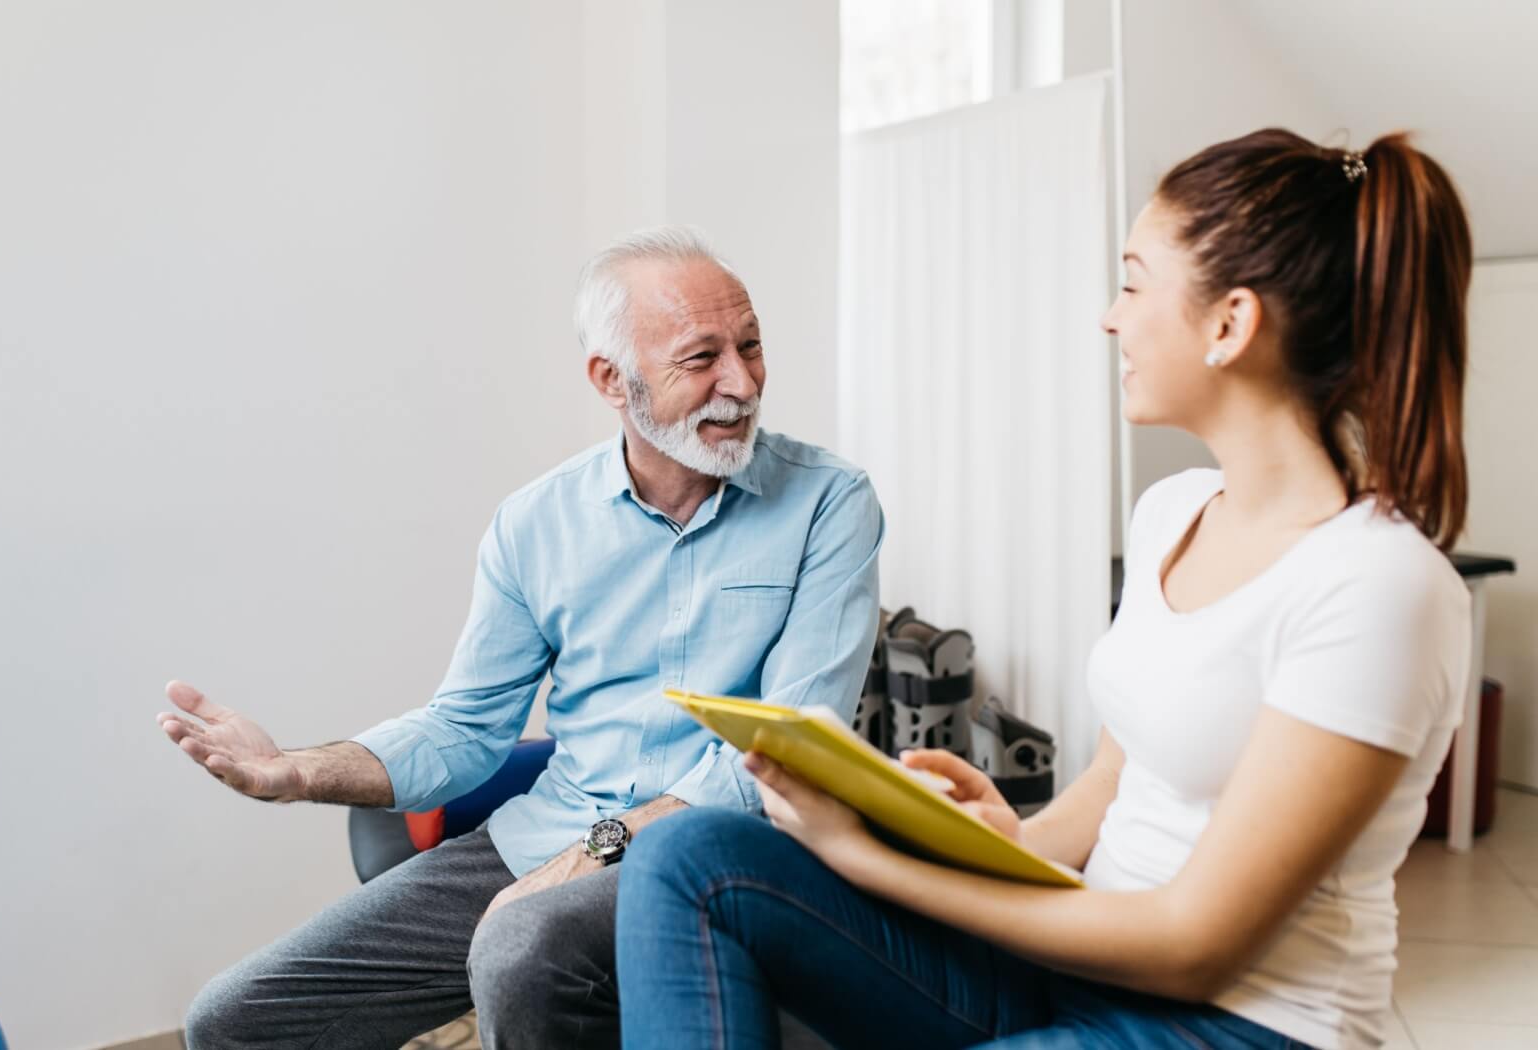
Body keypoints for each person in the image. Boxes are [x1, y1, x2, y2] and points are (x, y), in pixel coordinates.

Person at [616, 130, 1474, 1050]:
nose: (1111, 316)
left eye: (1136, 283)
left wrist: (865, 856)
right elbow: (1113, 785)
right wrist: (999, 840)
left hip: (1240, 1024)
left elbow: (1195, 947)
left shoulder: (1379, 585)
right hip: (1075, 971)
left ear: (1229, 324)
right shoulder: (1172, 513)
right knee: (685, 855)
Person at [161, 226, 883, 1049]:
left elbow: (787, 755)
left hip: (728, 854)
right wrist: (294, 770)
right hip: (546, 836)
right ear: (612, 379)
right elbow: (465, 731)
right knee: (236, 1022)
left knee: (521, 947)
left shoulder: (830, 502)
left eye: (751, 347)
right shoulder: (536, 523)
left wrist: (597, 853)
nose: (743, 381)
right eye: (702, 358)